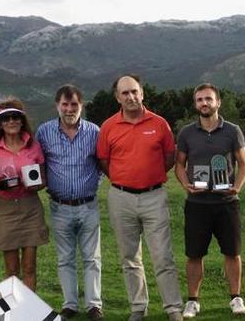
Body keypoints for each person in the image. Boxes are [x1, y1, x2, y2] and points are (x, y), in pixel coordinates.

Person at [97, 75, 184, 321]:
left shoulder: (159, 124)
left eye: (134, 92)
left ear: (142, 93)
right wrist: (124, 177)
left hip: (153, 196)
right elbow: (104, 161)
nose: (130, 97)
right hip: (121, 198)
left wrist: (150, 176)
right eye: (125, 93)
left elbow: (169, 157)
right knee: (129, 258)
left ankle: (173, 308)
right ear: (117, 98)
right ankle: (138, 307)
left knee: (163, 256)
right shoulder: (109, 127)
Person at [174, 83, 245, 318]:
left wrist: (237, 186)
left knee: (232, 252)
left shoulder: (232, 130)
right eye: (199, 100)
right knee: (194, 254)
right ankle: (193, 300)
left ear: (218, 102)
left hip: (226, 202)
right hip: (197, 204)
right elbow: (179, 164)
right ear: (195, 104)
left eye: (208, 99)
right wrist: (185, 183)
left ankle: (236, 297)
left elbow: (243, 163)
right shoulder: (186, 133)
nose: (204, 103)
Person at [35, 84, 104, 321]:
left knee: (91, 258)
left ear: (81, 106)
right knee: (65, 258)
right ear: (57, 106)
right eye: (65, 104)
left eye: (74, 104)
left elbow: (103, 163)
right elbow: (38, 162)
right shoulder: (44, 132)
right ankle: (70, 304)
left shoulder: (95, 132)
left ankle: (94, 305)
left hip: (88, 204)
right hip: (59, 206)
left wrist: (97, 183)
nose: (69, 109)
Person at [0, 99, 48, 291]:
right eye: (6, 118)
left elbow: (43, 179)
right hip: (5, 208)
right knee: (11, 269)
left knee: (30, 266)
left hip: (30, 207)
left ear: (22, 120)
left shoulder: (33, 145)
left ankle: (30, 312)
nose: (11, 121)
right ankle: (14, 312)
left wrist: (33, 185)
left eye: (15, 117)